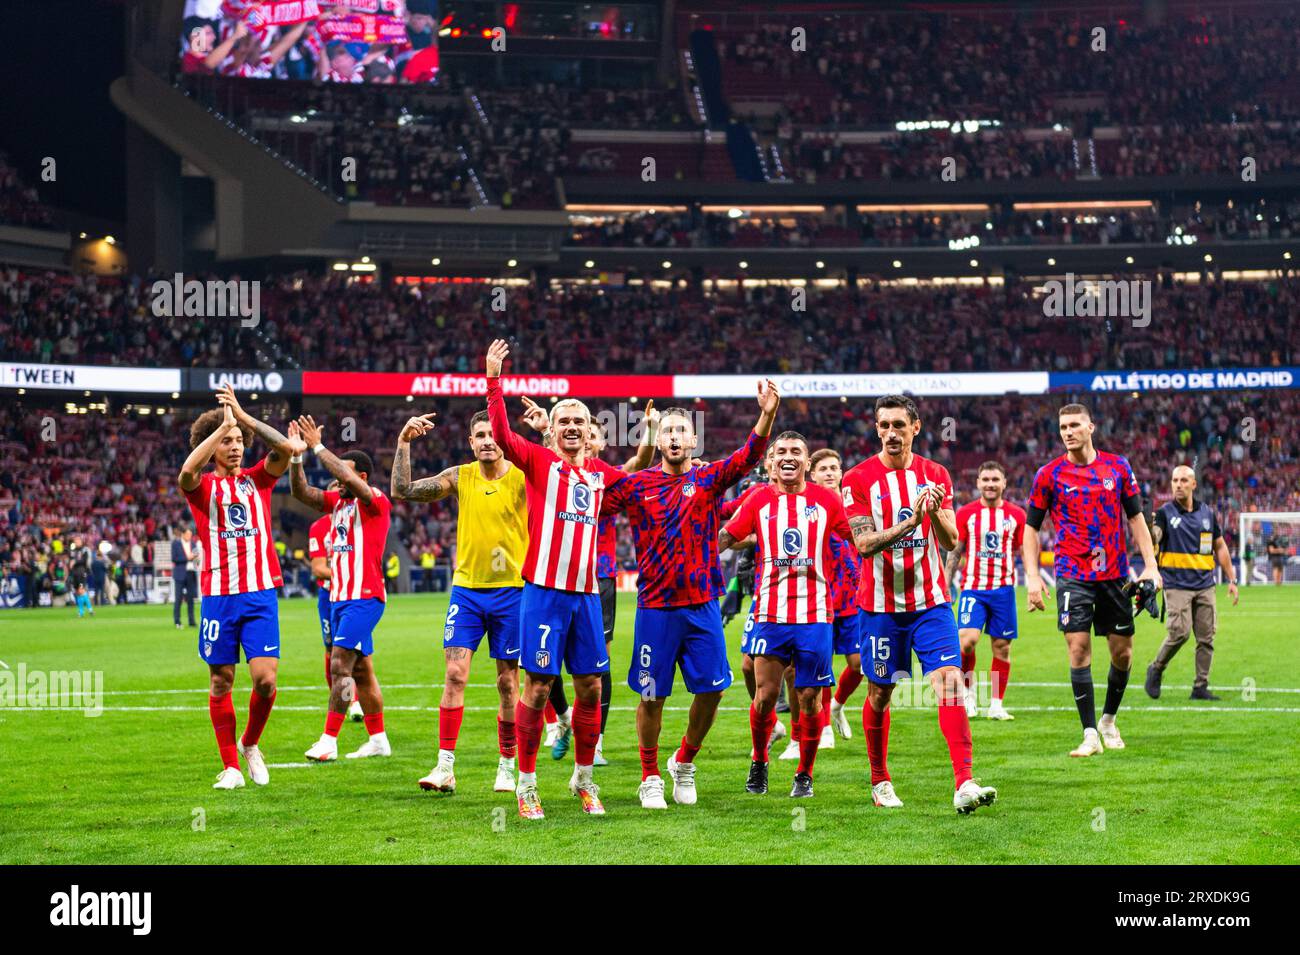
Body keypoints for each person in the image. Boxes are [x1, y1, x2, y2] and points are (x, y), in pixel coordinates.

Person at [601, 386, 776, 808]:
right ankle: (649, 775)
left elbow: (748, 457)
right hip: (655, 608)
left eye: (683, 430)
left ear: (694, 441)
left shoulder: (707, 478)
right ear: (658, 440)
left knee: (714, 689)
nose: (676, 436)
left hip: (702, 605)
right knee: (650, 694)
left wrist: (767, 415)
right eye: (668, 431)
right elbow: (594, 499)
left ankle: (684, 760)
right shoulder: (638, 484)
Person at [484, 339, 630, 819]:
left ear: (591, 432)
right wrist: (493, 380)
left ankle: (584, 780)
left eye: (579, 421)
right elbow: (503, 436)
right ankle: (526, 786)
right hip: (544, 594)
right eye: (563, 420)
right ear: (553, 431)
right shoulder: (539, 463)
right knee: (539, 687)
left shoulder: (601, 476)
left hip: (587, 596)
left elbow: (638, 481)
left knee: (590, 688)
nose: (571, 426)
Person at [843, 395, 998, 813]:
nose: (891, 433)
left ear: (916, 427)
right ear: (876, 430)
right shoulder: (857, 479)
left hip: (931, 603)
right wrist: (909, 522)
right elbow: (862, 544)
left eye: (898, 425)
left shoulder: (936, 474)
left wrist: (933, 515)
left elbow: (951, 542)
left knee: (949, 683)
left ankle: (964, 782)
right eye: (883, 425)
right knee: (880, 693)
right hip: (879, 607)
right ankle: (880, 781)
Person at [394, 410, 527, 795]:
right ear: (470, 442)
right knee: (454, 675)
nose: (487, 440)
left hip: (512, 591)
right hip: (467, 592)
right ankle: (445, 767)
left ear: (503, 436)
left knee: (507, 683)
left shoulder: (522, 475)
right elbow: (402, 490)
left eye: (492, 433)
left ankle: (506, 764)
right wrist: (403, 442)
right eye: (479, 435)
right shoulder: (461, 475)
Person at [178, 384, 304, 790]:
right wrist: (221, 426)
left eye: (238, 442)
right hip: (218, 596)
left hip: (259, 592)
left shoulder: (257, 480)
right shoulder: (204, 490)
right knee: (221, 681)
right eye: (226, 442)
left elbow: (287, 449)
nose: (235, 447)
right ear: (211, 446)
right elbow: (186, 473)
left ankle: (250, 744)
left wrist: (243, 417)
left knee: (266, 680)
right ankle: (230, 765)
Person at [521, 401, 659, 766]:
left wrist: (649, 431)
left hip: (597, 577)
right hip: (550, 578)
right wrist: (544, 432)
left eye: (591, 430)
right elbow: (547, 458)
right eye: (567, 424)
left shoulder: (605, 477)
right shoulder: (548, 469)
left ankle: (593, 744)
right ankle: (562, 722)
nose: (586, 435)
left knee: (597, 667)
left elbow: (640, 468)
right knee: (542, 674)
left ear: (595, 440)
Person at [1023, 403, 1162, 758]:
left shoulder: (1117, 467)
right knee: (1078, 648)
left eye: (1074, 425)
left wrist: (1150, 566)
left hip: (1114, 574)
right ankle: (1088, 733)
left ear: (1091, 427)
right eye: (1063, 427)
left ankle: (1108, 720)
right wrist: (1033, 578)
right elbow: (1031, 529)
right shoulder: (1048, 475)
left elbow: (1136, 518)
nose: (1068, 432)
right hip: (1072, 574)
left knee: (1123, 653)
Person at [721, 430, 850, 799]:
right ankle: (760, 760)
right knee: (764, 695)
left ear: (806, 463)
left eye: (797, 450)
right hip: (770, 613)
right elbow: (727, 537)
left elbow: (858, 540)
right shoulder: (759, 499)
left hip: (815, 614)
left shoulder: (826, 501)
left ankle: (804, 774)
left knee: (810, 698)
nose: (788, 456)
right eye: (781, 451)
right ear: (772, 462)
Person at [291, 417, 393, 763]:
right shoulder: (338, 504)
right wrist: (295, 457)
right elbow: (301, 492)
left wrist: (319, 446)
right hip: (338, 599)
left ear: (361, 477)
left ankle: (328, 740)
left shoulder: (374, 500)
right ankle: (378, 739)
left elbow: (347, 477)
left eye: (344, 474)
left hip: (364, 598)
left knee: (339, 665)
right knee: (361, 670)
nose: (337, 480)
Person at [1144, 465, 1239, 701]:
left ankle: (1200, 686)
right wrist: (1148, 528)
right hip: (1177, 584)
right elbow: (1156, 535)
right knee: (1180, 633)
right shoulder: (1165, 513)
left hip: (1205, 584)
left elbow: (1219, 546)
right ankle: (1156, 668)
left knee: (1206, 638)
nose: (1178, 484)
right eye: (1175, 480)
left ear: (1193, 484)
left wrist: (1231, 578)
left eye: (1184, 480)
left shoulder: (1207, 513)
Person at [944, 461, 1026, 721]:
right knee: (966, 641)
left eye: (995, 480)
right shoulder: (966, 513)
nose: (990, 484)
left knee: (1001, 647)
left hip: (1003, 589)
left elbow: (1024, 550)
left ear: (1004, 483)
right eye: (986, 480)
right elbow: (955, 551)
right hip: (973, 589)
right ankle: (968, 694)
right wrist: (946, 582)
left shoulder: (1017, 516)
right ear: (978, 483)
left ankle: (996, 704)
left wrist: (1034, 582)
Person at [810, 448, 863, 746]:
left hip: (854, 598)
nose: (830, 473)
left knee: (858, 665)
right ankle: (824, 729)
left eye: (834, 468)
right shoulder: (809, 506)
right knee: (822, 666)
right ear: (812, 474)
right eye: (824, 469)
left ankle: (838, 707)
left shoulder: (855, 505)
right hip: (821, 597)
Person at [308, 481, 363, 721]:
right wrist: (348, 569)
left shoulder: (357, 522)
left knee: (354, 650)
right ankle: (339, 697)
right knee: (331, 650)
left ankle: (354, 701)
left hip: (353, 595)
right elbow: (319, 568)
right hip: (328, 596)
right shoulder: (318, 528)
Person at [172, 527, 198, 630]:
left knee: (191, 599)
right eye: (188, 535)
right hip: (180, 574)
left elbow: (196, 559)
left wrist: (197, 560)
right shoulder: (176, 544)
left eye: (190, 535)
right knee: (178, 598)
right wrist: (187, 558)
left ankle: (191, 621)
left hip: (191, 573)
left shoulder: (194, 544)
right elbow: (174, 558)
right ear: (183, 534)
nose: (189, 537)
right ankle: (177, 621)